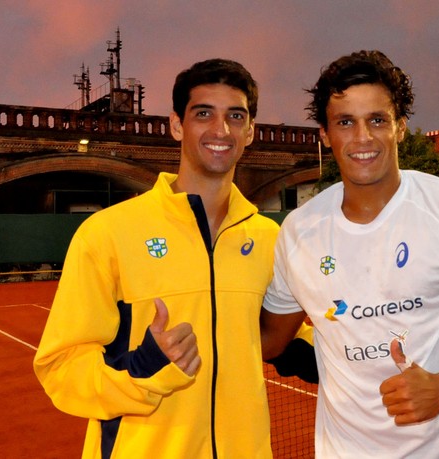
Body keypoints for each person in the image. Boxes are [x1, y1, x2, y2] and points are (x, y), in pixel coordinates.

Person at [260, 50, 439, 458]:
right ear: (325, 134)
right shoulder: (298, 232)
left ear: (400, 128)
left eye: (377, 119)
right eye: (345, 122)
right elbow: (268, 340)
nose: (362, 138)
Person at [34, 59, 282, 459]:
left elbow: (279, 335)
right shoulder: (108, 233)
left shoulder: (270, 238)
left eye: (235, 116)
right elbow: (60, 368)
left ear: (250, 131)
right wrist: (144, 365)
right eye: (204, 114)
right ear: (176, 125)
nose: (221, 130)